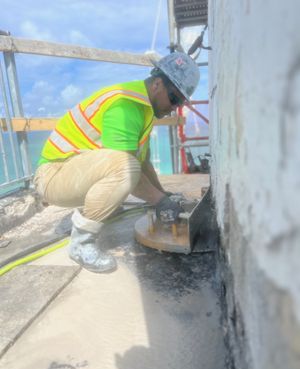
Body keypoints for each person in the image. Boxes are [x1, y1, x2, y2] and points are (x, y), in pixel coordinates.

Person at [34, 52, 200, 273]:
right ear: (157, 84)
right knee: (125, 167)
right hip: (53, 177)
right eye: (175, 98)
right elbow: (127, 167)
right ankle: (81, 244)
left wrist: (163, 196)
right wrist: (159, 201)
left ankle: (102, 209)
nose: (175, 107)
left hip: (73, 173)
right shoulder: (125, 105)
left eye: (180, 103)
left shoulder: (145, 108)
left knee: (131, 165)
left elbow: (143, 163)